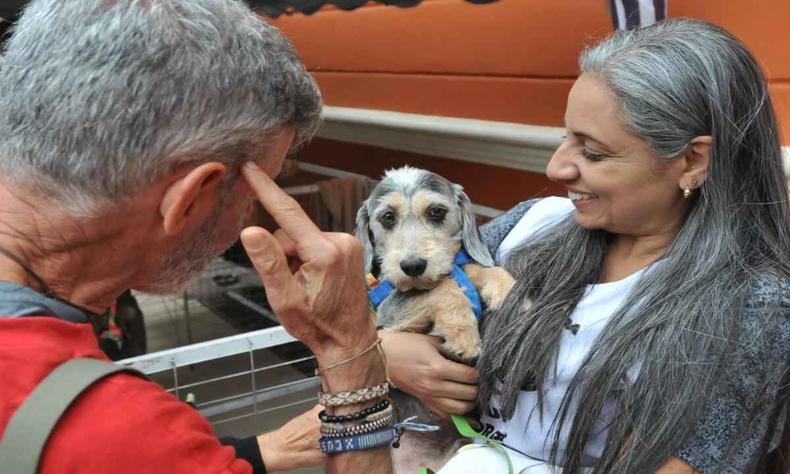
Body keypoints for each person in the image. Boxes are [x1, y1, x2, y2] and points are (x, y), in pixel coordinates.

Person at [0, 0, 391, 473]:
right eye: (252, 196)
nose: (250, 215)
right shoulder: (115, 430)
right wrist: (349, 353)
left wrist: (257, 452)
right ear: (191, 197)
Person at [385, 18, 790, 473]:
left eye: (592, 152)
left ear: (693, 160)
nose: (557, 168)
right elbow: (391, 299)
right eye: (565, 137)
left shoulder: (752, 305)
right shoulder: (532, 223)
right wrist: (387, 351)